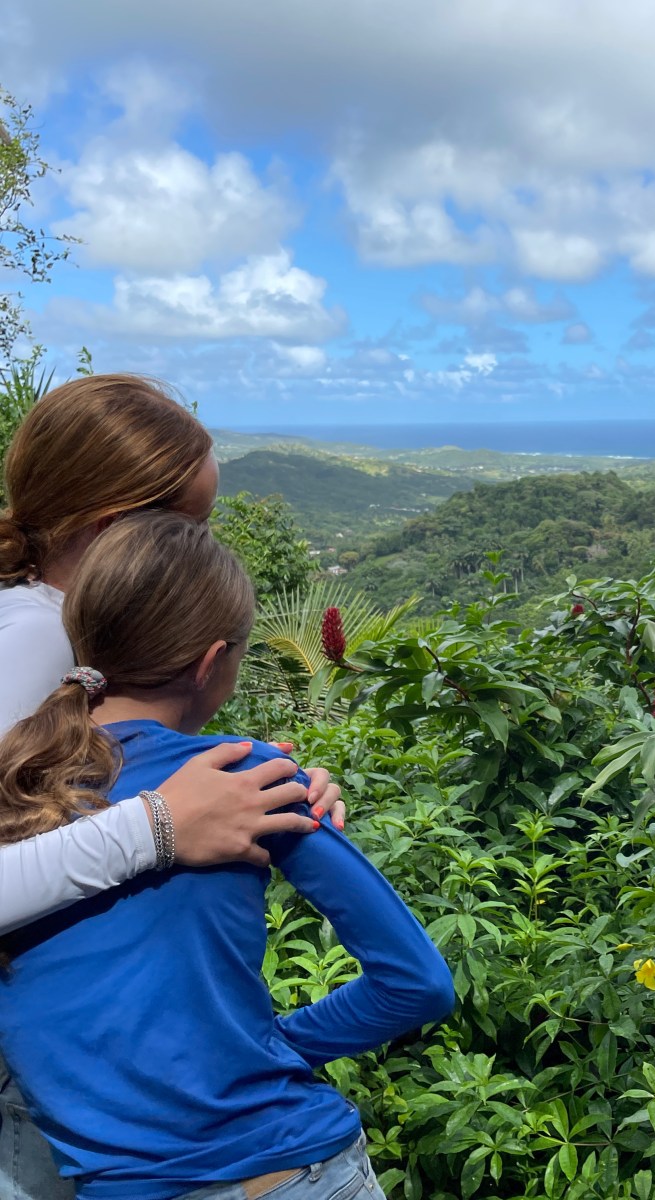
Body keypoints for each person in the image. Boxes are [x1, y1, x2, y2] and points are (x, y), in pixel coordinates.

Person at [0, 511, 455, 1199]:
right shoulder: (251, 777)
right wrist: (269, 1047)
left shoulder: (15, 789)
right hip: (289, 1170)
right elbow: (417, 982)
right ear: (213, 662)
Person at [0, 373, 343, 1199]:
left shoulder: (43, 624)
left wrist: (253, 784)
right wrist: (160, 825)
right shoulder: (38, 641)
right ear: (114, 528)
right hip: (57, 1098)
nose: (200, 547)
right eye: (191, 524)